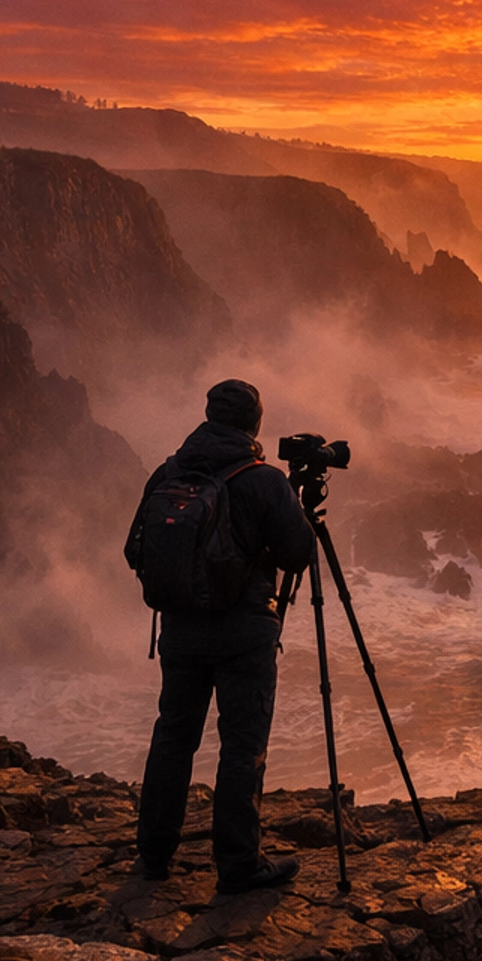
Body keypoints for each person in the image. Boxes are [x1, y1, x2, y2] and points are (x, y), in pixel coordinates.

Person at [129, 378, 315, 894]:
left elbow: (135, 550)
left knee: (173, 738)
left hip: (181, 631)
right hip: (244, 635)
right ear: (254, 423)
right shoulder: (263, 480)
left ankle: (152, 858)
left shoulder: (169, 471)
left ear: (209, 416)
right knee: (241, 747)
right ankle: (238, 865)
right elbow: (297, 554)